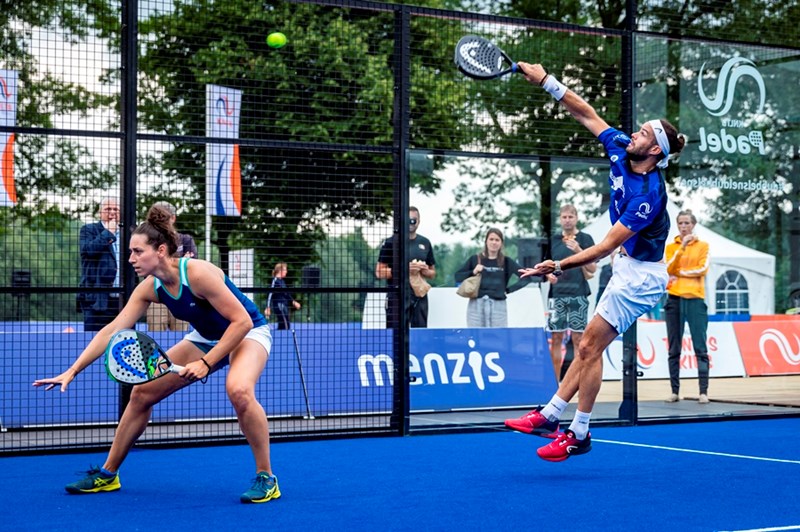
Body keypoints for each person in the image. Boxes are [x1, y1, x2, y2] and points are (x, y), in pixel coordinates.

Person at [34, 204, 280, 504]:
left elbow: (240, 321)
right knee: (141, 394)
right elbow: (111, 330)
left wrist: (206, 362)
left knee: (239, 390)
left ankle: (266, 477)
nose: (130, 259)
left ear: (160, 250)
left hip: (247, 332)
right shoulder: (149, 287)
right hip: (204, 338)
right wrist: (73, 370)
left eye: (137, 251)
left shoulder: (199, 273)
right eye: (130, 252)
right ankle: (108, 474)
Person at [504, 61, 685, 462]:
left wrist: (559, 264)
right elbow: (585, 112)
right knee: (589, 348)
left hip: (641, 279)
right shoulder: (622, 147)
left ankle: (576, 431)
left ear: (654, 150)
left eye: (643, 132)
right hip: (627, 268)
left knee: (587, 346)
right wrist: (547, 81)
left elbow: (604, 247)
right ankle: (553, 416)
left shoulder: (648, 196)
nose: (633, 132)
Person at [545, 205, 597, 381]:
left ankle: (576, 382)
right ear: (560, 219)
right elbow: (545, 267)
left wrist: (578, 250)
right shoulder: (553, 240)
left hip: (578, 294)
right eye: (564, 217)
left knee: (579, 340)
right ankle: (555, 383)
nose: (567, 220)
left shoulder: (585, 239)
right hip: (557, 295)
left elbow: (592, 268)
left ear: (576, 218)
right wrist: (548, 275)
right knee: (556, 338)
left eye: (570, 217)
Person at [664, 209, 710, 404]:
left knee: (700, 345)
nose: (683, 227)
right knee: (674, 347)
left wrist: (680, 272)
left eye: (687, 223)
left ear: (693, 225)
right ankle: (675, 391)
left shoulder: (703, 246)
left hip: (695, 299)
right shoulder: (671, 247)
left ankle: (703, 391)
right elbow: (667, 268)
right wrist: (681, 247)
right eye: (680, 223)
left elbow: (703, 269)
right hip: (674, 298)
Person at [454, 228, 531, 327]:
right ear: (486, 241)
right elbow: (458, 277)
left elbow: (527, 277)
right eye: (491, 239)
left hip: (498, 305)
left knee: (498, 338)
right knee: (475, 336)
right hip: (476, 305)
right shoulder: (475, 259)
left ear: (501, 243)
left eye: (497, 240)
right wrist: (473, 271)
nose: (494, 242)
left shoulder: (506, 261)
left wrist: (508, 290)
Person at [375, 206, 436, 328]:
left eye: (414, 220)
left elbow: (433, 273)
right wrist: (403, 269)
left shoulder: (425, 242)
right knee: (395, 334)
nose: (411, 223)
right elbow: (379, 272)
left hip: (419, 294)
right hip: (397, 294)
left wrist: (423, 270)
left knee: (420, 333)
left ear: (419, 221)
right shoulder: (391, 242)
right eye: (408, 220)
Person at [146, 201, 197, 332]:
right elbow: (149, 266)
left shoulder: (186, 239)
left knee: (181, 334)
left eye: (164, 217)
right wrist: (180, 261)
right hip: (157, 292)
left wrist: (164, 263)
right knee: (155, 333)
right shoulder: (149, 241)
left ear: (173, 218)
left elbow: (191, 266)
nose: (160, 221)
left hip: (182, 293)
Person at [78, 197, 121, 332]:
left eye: (116, 209)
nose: (112, 212)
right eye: (108, 209)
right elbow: (88, 250)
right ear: (100, 212)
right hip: (96, 297)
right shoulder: (89, 230)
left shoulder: (129, 233)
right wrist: (108, 233)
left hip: (122, 299)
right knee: (93, 339)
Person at [266, 262, 301, 330]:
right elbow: (270, 294)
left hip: (284, 306)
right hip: (279, 306)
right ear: (280, 270)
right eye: (285, 270)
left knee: (285, 325)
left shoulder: (282, 282)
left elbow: (286, 294)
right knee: (285, 325)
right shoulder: (275, 281)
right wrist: (268, 307)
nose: (286, 272)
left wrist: (293, 302)